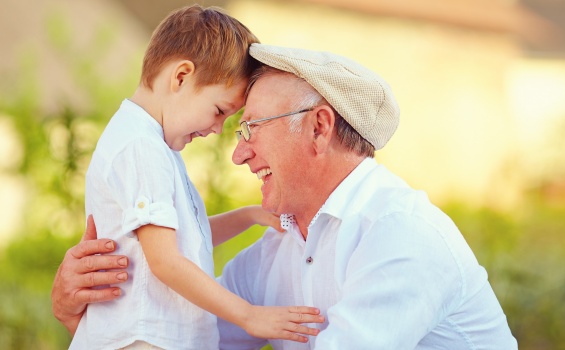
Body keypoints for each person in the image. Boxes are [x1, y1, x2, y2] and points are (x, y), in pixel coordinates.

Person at [53, 43, 518, 349]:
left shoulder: (401, 236)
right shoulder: (281, 245)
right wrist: (89, 311)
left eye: (251, 128)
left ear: (318, 128)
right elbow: (188, 337)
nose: (238, 154)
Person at [68, 7, 323, 350]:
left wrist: (249, 216)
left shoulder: (153, 144)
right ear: (181, 77)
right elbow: (166, 260)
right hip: (144, 339)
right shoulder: (141, 147)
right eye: (219, 111)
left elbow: (186, 240)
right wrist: (250, 316)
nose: (217, 129)